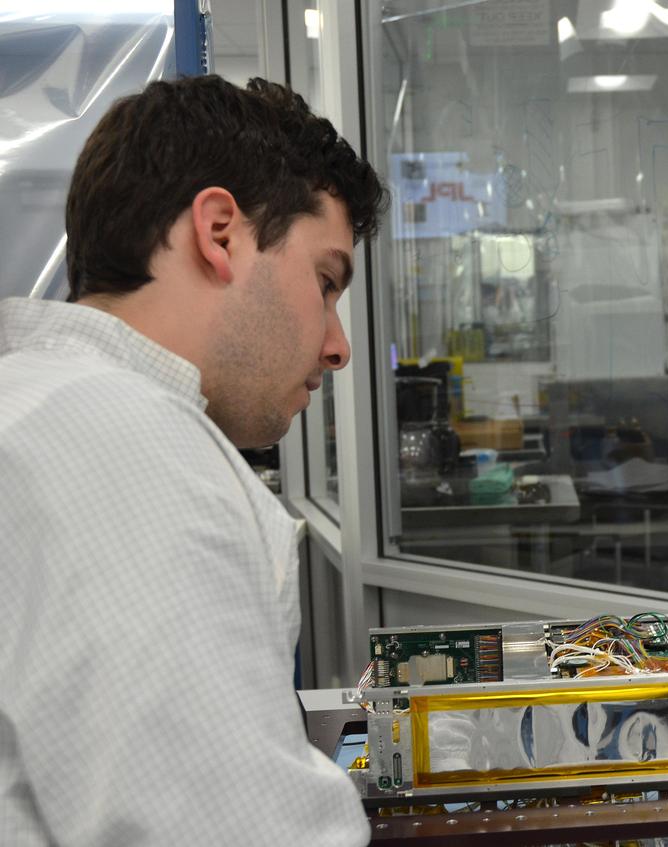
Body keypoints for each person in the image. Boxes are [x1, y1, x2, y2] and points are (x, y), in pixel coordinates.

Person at [0, 75, 386, 844]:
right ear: (219, 233)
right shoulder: (127, 452)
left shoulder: (36, 403)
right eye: (325, 281)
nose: (338, 346)